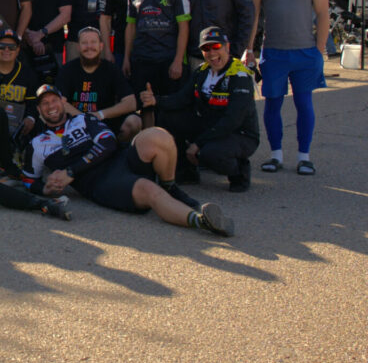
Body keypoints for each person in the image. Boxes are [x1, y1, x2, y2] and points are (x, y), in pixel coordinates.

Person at [23, 85, 234, 237]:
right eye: (44, 104)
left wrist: (70, 171)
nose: (50, 106)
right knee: (149, 190)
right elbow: (28, 181)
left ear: (62, 102)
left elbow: (109, 143)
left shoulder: (84, 119)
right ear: (39, 111)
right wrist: (46, 190)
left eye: (54, 100)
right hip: (101, 182)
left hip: (120, 158)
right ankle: (202, 221)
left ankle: (170, 186)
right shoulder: (37, 144)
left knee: (157, 135)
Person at [244, 0, 330, 176]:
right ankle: (276, 155)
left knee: (304, 104)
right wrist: (249, 50)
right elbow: (253, 18)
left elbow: (323, 13)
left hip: (305, 52)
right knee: (272, 105)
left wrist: (320, 49)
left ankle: (304, 156)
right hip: (273, 53)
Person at [140, 27, 259, 191]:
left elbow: (232, 120)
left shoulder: (240, 76)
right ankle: (186, 171)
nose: (211, 53)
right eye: (206, 48)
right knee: (167, 116)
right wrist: (155, 100)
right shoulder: (202, 72)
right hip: (210, 126)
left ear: (227, 47)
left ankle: (240, 172)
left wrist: (198, 143)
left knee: (209, 153)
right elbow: (182, 98)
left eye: (216, 47)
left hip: (239, 133)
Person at [123, 0, 191, 129]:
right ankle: (148, 149)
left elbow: (184, 26)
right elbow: (130, 26)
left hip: (169, 59)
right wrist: (127, 59)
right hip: (142, 59)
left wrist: (178, 60)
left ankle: (170, 152)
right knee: (145, 108)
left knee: (170, 109)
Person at [56, 27, 140, 142]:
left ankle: (118, 153)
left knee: (134, 122)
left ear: (101, 46)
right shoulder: (67, 70)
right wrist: (85, 119)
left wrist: (100, 114)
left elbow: (131, 103)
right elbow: (60, 102)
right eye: (84, 43)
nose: (89, 47)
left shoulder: (112, 69)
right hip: (75, 124)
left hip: (105, 122)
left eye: (93, 42)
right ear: (78, 47)